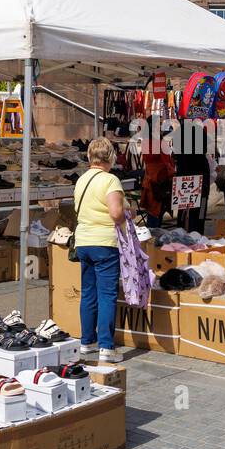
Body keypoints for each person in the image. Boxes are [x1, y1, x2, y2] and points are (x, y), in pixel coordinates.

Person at [73, 138, 128, 363]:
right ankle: (106, 346)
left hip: (83, 242)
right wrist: (128, 215)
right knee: (107, 294)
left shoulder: (81, 180)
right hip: (104, 243)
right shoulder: (110, 180)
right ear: (111, 157)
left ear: (89, 156)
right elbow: (116, 213)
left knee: (88, 292)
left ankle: (86, 342)